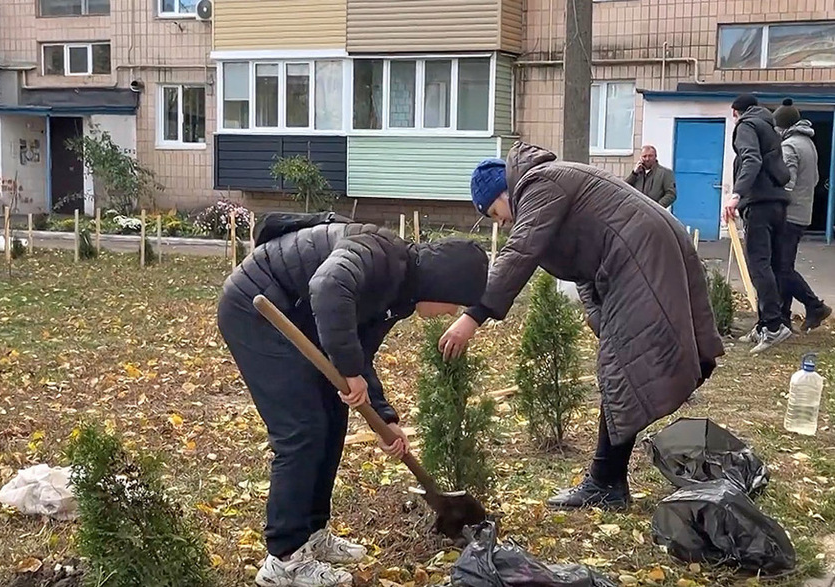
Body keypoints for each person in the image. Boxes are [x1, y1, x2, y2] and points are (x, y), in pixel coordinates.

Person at [440, 143, 724, 511]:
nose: (503, 224)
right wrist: (602, 322)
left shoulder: (538, 184)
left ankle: (606, 483)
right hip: (649, 245)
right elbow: (583, 267)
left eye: (497, 214)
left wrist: (473, 316)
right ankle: (646, 463)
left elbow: (520, 252)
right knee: (626, 362)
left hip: (639, 252)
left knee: (620, 372)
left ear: (503, 192)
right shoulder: (551, 184)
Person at [217, 214, 489, 587]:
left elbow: (359, 352)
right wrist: (348, 368)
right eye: (457, 303)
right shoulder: (380, 255)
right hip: (258, 310)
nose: (453, 313)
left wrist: (385, 417)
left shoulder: (400, 292)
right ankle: (284, 559)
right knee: (303, 430)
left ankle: (313, 534)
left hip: (299, 317)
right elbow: (328, 287)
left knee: (332, 419)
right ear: (444, 285)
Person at [723, 94, 793, 353]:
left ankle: (774, 327)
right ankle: (767, 323)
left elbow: (751, 159)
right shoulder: (769, 126)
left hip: (759, 204)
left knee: (759, 265)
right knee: (774, 266)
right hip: (778, 204)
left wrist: (736, 195)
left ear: (736, 112)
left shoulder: (746, 126)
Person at [772, 98, 833, 332]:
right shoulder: (808, 143)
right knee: (784, 266)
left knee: (781, 268)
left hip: (788, 215)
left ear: (782, 126)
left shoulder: (789, 146)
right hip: (802, 213)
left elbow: (786, 182)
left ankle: (814, 305)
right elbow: (816, 179)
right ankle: (784, 317)